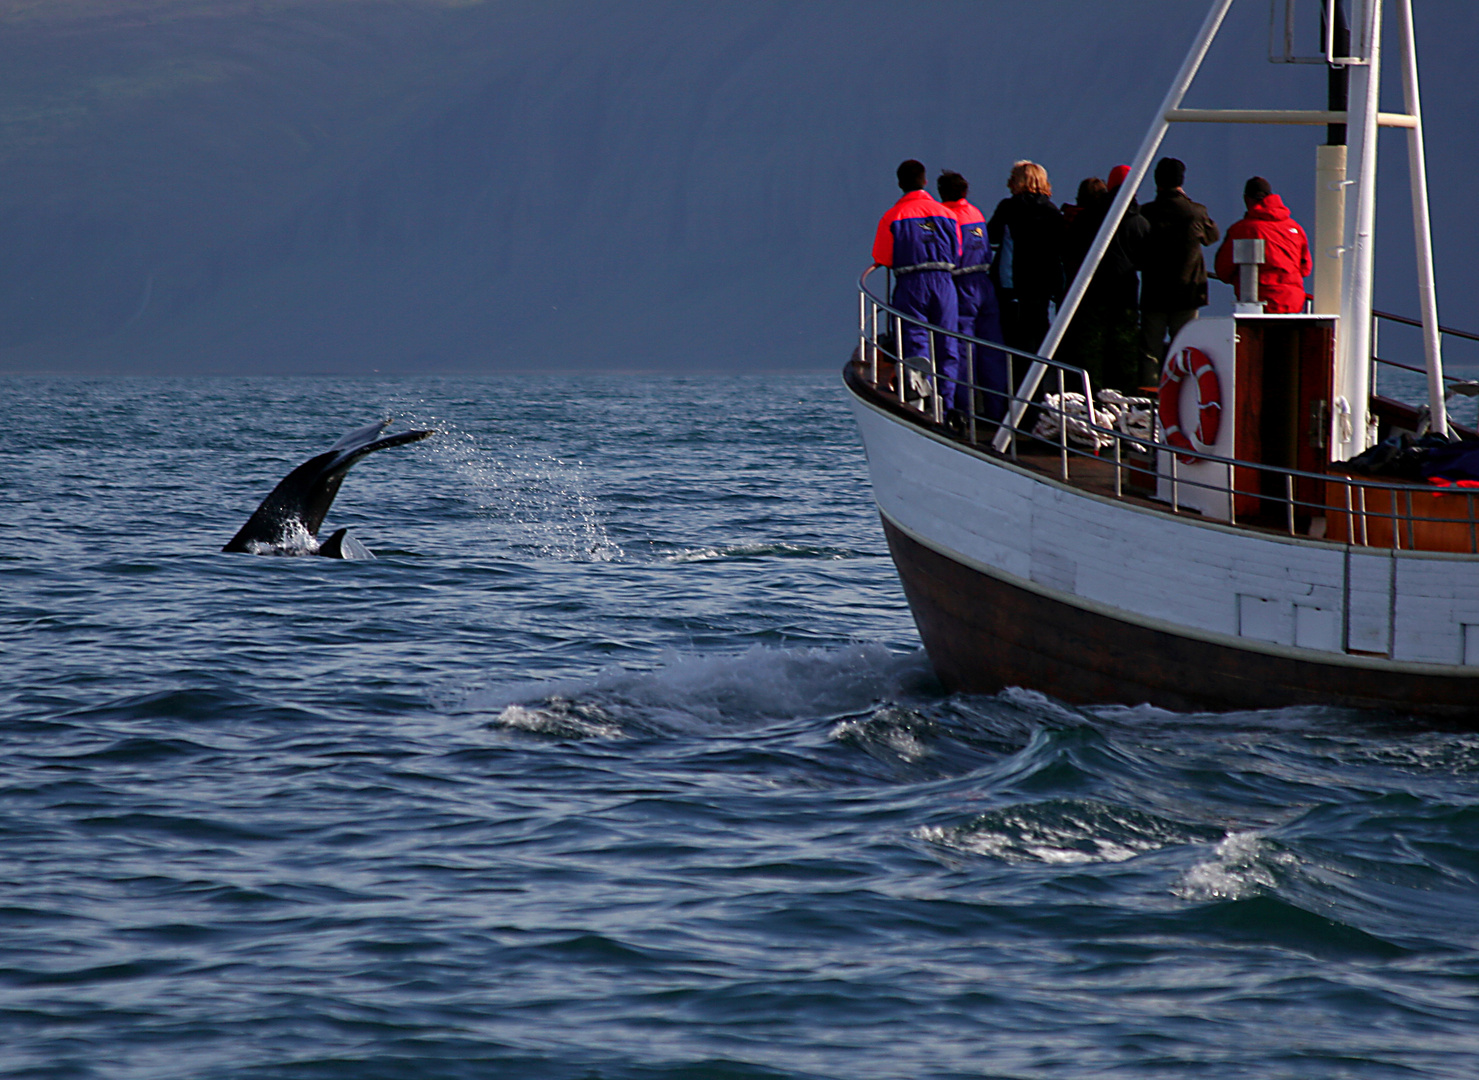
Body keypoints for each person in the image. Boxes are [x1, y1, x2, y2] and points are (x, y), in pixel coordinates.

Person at [872, 159, 962, 405]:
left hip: (911, 283)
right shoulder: (948, 214)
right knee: (948, 345)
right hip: (944, 282)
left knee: (914, 342)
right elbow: (959, 251)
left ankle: (919, 401)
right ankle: (947, 404)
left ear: (900, 183)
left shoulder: (893, 216)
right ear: (925, 181)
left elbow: (882, 257)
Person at [1060, 172, 1148, 391]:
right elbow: (1146, 258)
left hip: (1093, 291)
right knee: (1125, 349)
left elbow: (1071, 248)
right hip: (1126, 292)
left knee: (1092, 348)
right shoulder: (1140, 222)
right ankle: (1125, 401)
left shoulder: (1089, 217)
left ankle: (1092, 398)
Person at [1138, 157, 1219, 382]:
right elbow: (1213, 237)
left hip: (1154, 293)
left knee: (1150, 352)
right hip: (1188, 293)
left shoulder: (1147, 212)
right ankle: (1184, 400)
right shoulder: (1196, 212)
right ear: (1181, 180)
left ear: (1157, 182)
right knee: (1185, 349)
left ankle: (1147, 404)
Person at [936, 170, 1008, 421]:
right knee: (991, 349)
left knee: (962, 350)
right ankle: (997, 410)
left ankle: (963, 410)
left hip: (961, 283)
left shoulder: (946, 216)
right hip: (984, 283)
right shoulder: (975, 212)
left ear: (942, 192)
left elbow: (951, 251)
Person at [986, 161, 1065, 356]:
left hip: (1013, 284)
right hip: (1042, 285)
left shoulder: (1009, 208)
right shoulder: (1053, 212)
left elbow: (992, 236)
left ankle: (1019, 385)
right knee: (1039, 336)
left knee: (1013, 341)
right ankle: (1040, 383)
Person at [1213, 176, 1312, 314]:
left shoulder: (1244, 229)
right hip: (1294, 302)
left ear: (1246, 199)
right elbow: (1306, 269)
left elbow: (1223, 270)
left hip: (1261, 303)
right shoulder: (1295, 228)